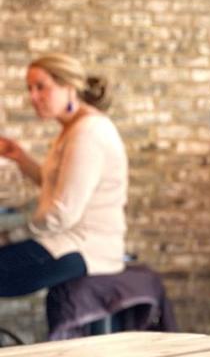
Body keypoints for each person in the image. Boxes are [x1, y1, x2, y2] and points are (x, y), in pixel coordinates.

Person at [0, 54, 127, 297]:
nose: (33, 97)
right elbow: (58, 185)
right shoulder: (74, 129)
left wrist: (9, 237)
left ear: (69, 87)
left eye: (41, 87)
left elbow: (62, 212)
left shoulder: (88, 133)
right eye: (29, 89)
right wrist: (21, 158)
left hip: (83, 247)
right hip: (66, 241)